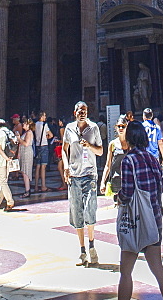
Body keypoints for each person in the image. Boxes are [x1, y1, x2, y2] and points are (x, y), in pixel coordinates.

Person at [116, 120, 163, 300]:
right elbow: (160, 188)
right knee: (158, 269)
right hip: (153, 219)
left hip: (135, 222)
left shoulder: (128, 160)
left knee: (125, 272)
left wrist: (117, 198)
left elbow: (127, 192)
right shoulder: (153, 159)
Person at [62, 100, 103, 267]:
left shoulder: (93, 128)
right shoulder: (69, 129)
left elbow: (100, 151)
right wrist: (65, 166)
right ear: (74, 112)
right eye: (79, 110)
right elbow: (64, 150)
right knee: (77, 212)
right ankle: (82, 250)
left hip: (89, 174)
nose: (82, 112)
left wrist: (90, 145)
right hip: (74, 175)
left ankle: (92, 245)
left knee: (90, 209)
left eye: (85, 110)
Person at [100, 116, 128, 195]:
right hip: (116, 181)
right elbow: (108, 165)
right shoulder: (112, 144)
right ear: (116, 127)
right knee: (119, 205)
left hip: (129, 180)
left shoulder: (131, 144)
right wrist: (103, 182)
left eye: (123, 126)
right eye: (119, 126)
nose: (121, 128)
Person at [0, 118, 16, 212]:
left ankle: (10, 202)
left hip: (2, 160)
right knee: (4, 181)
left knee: (2, 182)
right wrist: (10, 158)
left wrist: (5, 158)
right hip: (10, 159)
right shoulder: (10, 132)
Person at [33, 111, 53, 193]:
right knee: (43, 167)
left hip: (38, 145)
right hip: (44, 145)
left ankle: (36, 186)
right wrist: (47, 137)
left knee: (37, 166)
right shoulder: (44, 125)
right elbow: (51, 135)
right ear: (41, 116)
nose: (45, 117)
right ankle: (43, 186)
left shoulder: (36, 124)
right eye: (44, 116)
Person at [17, 118, 34, 197]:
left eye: (24, 123)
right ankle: (27, 189)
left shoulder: (29, 133)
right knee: (24, 172)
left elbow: (26, 143)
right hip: (24, 152)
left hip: (27, 152)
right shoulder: (26, 132)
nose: (23, 124)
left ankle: (27, 190)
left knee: (26, 172)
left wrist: (19, 139)